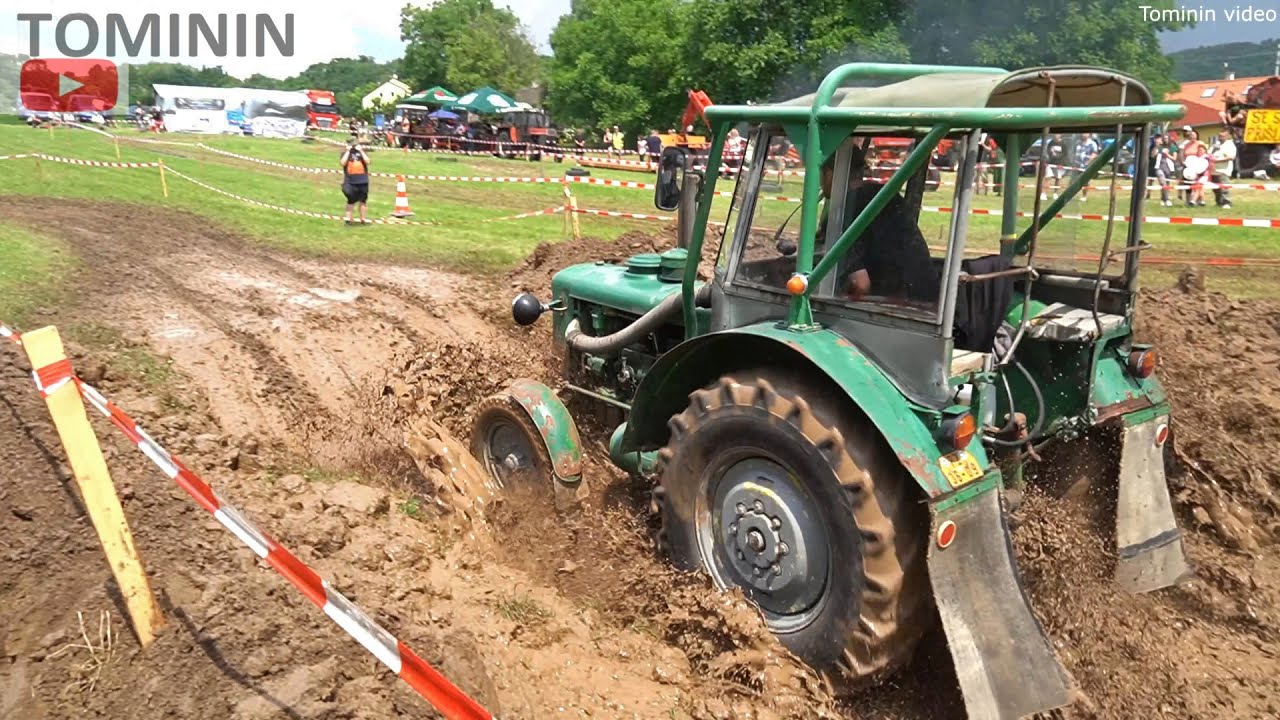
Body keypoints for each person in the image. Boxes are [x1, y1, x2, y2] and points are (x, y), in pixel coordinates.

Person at [816, 144, 940, 303]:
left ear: (830, 174)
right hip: (925, 298)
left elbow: (860, 284)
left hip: (887, 307)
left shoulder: (839, 215)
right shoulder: (886, 197)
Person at [340, 138, 371, 225]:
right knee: (351, 200)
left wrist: (361, 151)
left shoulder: (362, 152)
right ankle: (348, 219)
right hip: (350, 180)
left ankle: (363, 219)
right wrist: (347, 151)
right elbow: (342, 163)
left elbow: (368, 161)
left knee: (363, 200)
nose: (354, 146)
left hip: (362, 180)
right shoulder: (345, 153)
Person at [1210, 128, 1236, 209]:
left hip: (1224, 170)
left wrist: (1217, 160)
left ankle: (1227, 202)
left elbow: (1231, 157)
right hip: (1214, 170)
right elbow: (1209, 153)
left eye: (1222, 136)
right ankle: (1218, 202)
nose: (1220, 137)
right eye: (1219, 136)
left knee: (1224, 187)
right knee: (1215, 188)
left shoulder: (1230, 145)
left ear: (1227, 136)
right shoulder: (1216, 144)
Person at [1073, 133, 1099, 201]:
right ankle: (1073, 195)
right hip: (1077, 164)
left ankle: (1084, 196)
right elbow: (1074, 152)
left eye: (1085, 133)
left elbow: (1095, 153)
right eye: (1082, 133)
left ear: (1089, 135)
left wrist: (1088, 161)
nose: (1083, 135)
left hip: (1086, 165)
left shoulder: (1092, 143)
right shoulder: (1078, 143)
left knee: (1085, 181)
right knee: (1074, 181)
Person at [1042, 133, 1067, 198]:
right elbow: (1048, 151)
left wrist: (1059, 158)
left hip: (1059, 164)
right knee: (1047, 177)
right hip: (1051, 163)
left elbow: (1065, 153)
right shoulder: (1051, 143)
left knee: (1058, 179)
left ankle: (1055, 194)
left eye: (1058, 134)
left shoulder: (1063, 144)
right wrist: (1051, 156)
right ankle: (1043, 194)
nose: (1056, 135)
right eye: (1055, 134)